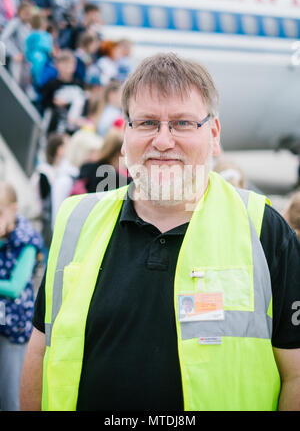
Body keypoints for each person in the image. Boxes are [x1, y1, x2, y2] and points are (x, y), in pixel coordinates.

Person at [20, 53, 300, 412]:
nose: (163, 141)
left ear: (213, 134)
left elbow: (294, 373)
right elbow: (41, 350)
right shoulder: (76, 223)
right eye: (148, 123)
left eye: (182, 123)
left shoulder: (263, 229)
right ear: (125, 136)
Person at [0, 181, 43, 410]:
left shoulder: (26, 242)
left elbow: (16, 286)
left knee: (9, 393)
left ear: (14, 210)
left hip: (14, 328)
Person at [50, 129, 103, 227]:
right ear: (83, 152)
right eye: (93, 152)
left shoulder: (84, 175)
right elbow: (58, 220)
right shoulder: (65, 180)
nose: (97, 156)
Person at [0, 0, 32, 88]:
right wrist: (14, 53)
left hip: (24, 60)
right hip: (14, 59)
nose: (27, 15)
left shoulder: (27, 25)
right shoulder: (14, 22)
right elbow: (3, 39)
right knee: (14, 84)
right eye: (25, 12)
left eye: (29, 13)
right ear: (19, 12)